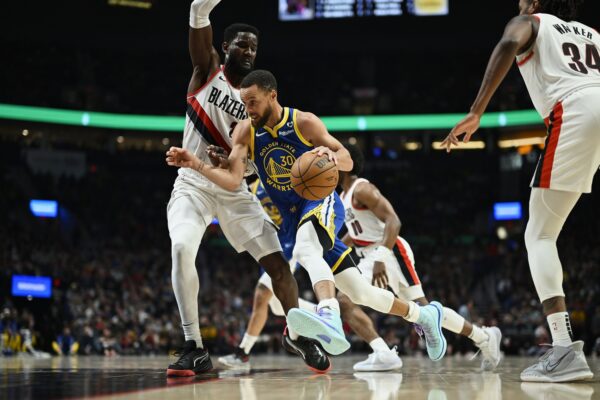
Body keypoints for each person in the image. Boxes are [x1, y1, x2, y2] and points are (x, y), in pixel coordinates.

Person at [166, 69, 448, 363]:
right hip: (290, 219)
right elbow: (235, 180)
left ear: (272, 96)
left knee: (304, 248)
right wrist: (196, 164)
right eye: (244, 103)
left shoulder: (304, 122)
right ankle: (425, 315)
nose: (247, 110)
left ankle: (328, 314)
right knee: (362, 293)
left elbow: (347, 158)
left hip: (319, 202)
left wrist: (328, 158)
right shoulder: (245, 131)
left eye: (253, 102)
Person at [166, 0, 340, 376]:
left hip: (235, 189)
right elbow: (199, 14)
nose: (248, 51)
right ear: (225, 47)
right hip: (193, 184)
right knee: (181, 248)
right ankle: (193, 345)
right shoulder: (205, 72)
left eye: (254, 47)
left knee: (279, 266)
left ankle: (296, 332)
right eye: (241, 44)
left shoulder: (255, 101)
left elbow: (251, 157)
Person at [442, 0, 599, 382]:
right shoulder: (593, 34)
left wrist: (477, 110)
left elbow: (507, 45)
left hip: (576, 110)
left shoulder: (529, 20)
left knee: (540, 235)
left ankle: (563, 350)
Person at [339, 144, 502, 371]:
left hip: (388, 252)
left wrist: (380, 259)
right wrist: (330, 249)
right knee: (424, 312)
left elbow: (393, 221)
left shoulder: (362, 189)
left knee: (347, 298)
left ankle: (384, 353)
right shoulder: (343, 195)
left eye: (333, 154)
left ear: (345, 163)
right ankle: (483, 337)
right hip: (372, 253)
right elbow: (355, 233)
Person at [218, 179, 402, 371]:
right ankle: (323, 313)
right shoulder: (252, 187)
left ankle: (243, 352)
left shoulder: (279, 175)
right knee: (274, 304)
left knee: (261, 293)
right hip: (272, 241)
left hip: (291, 238)